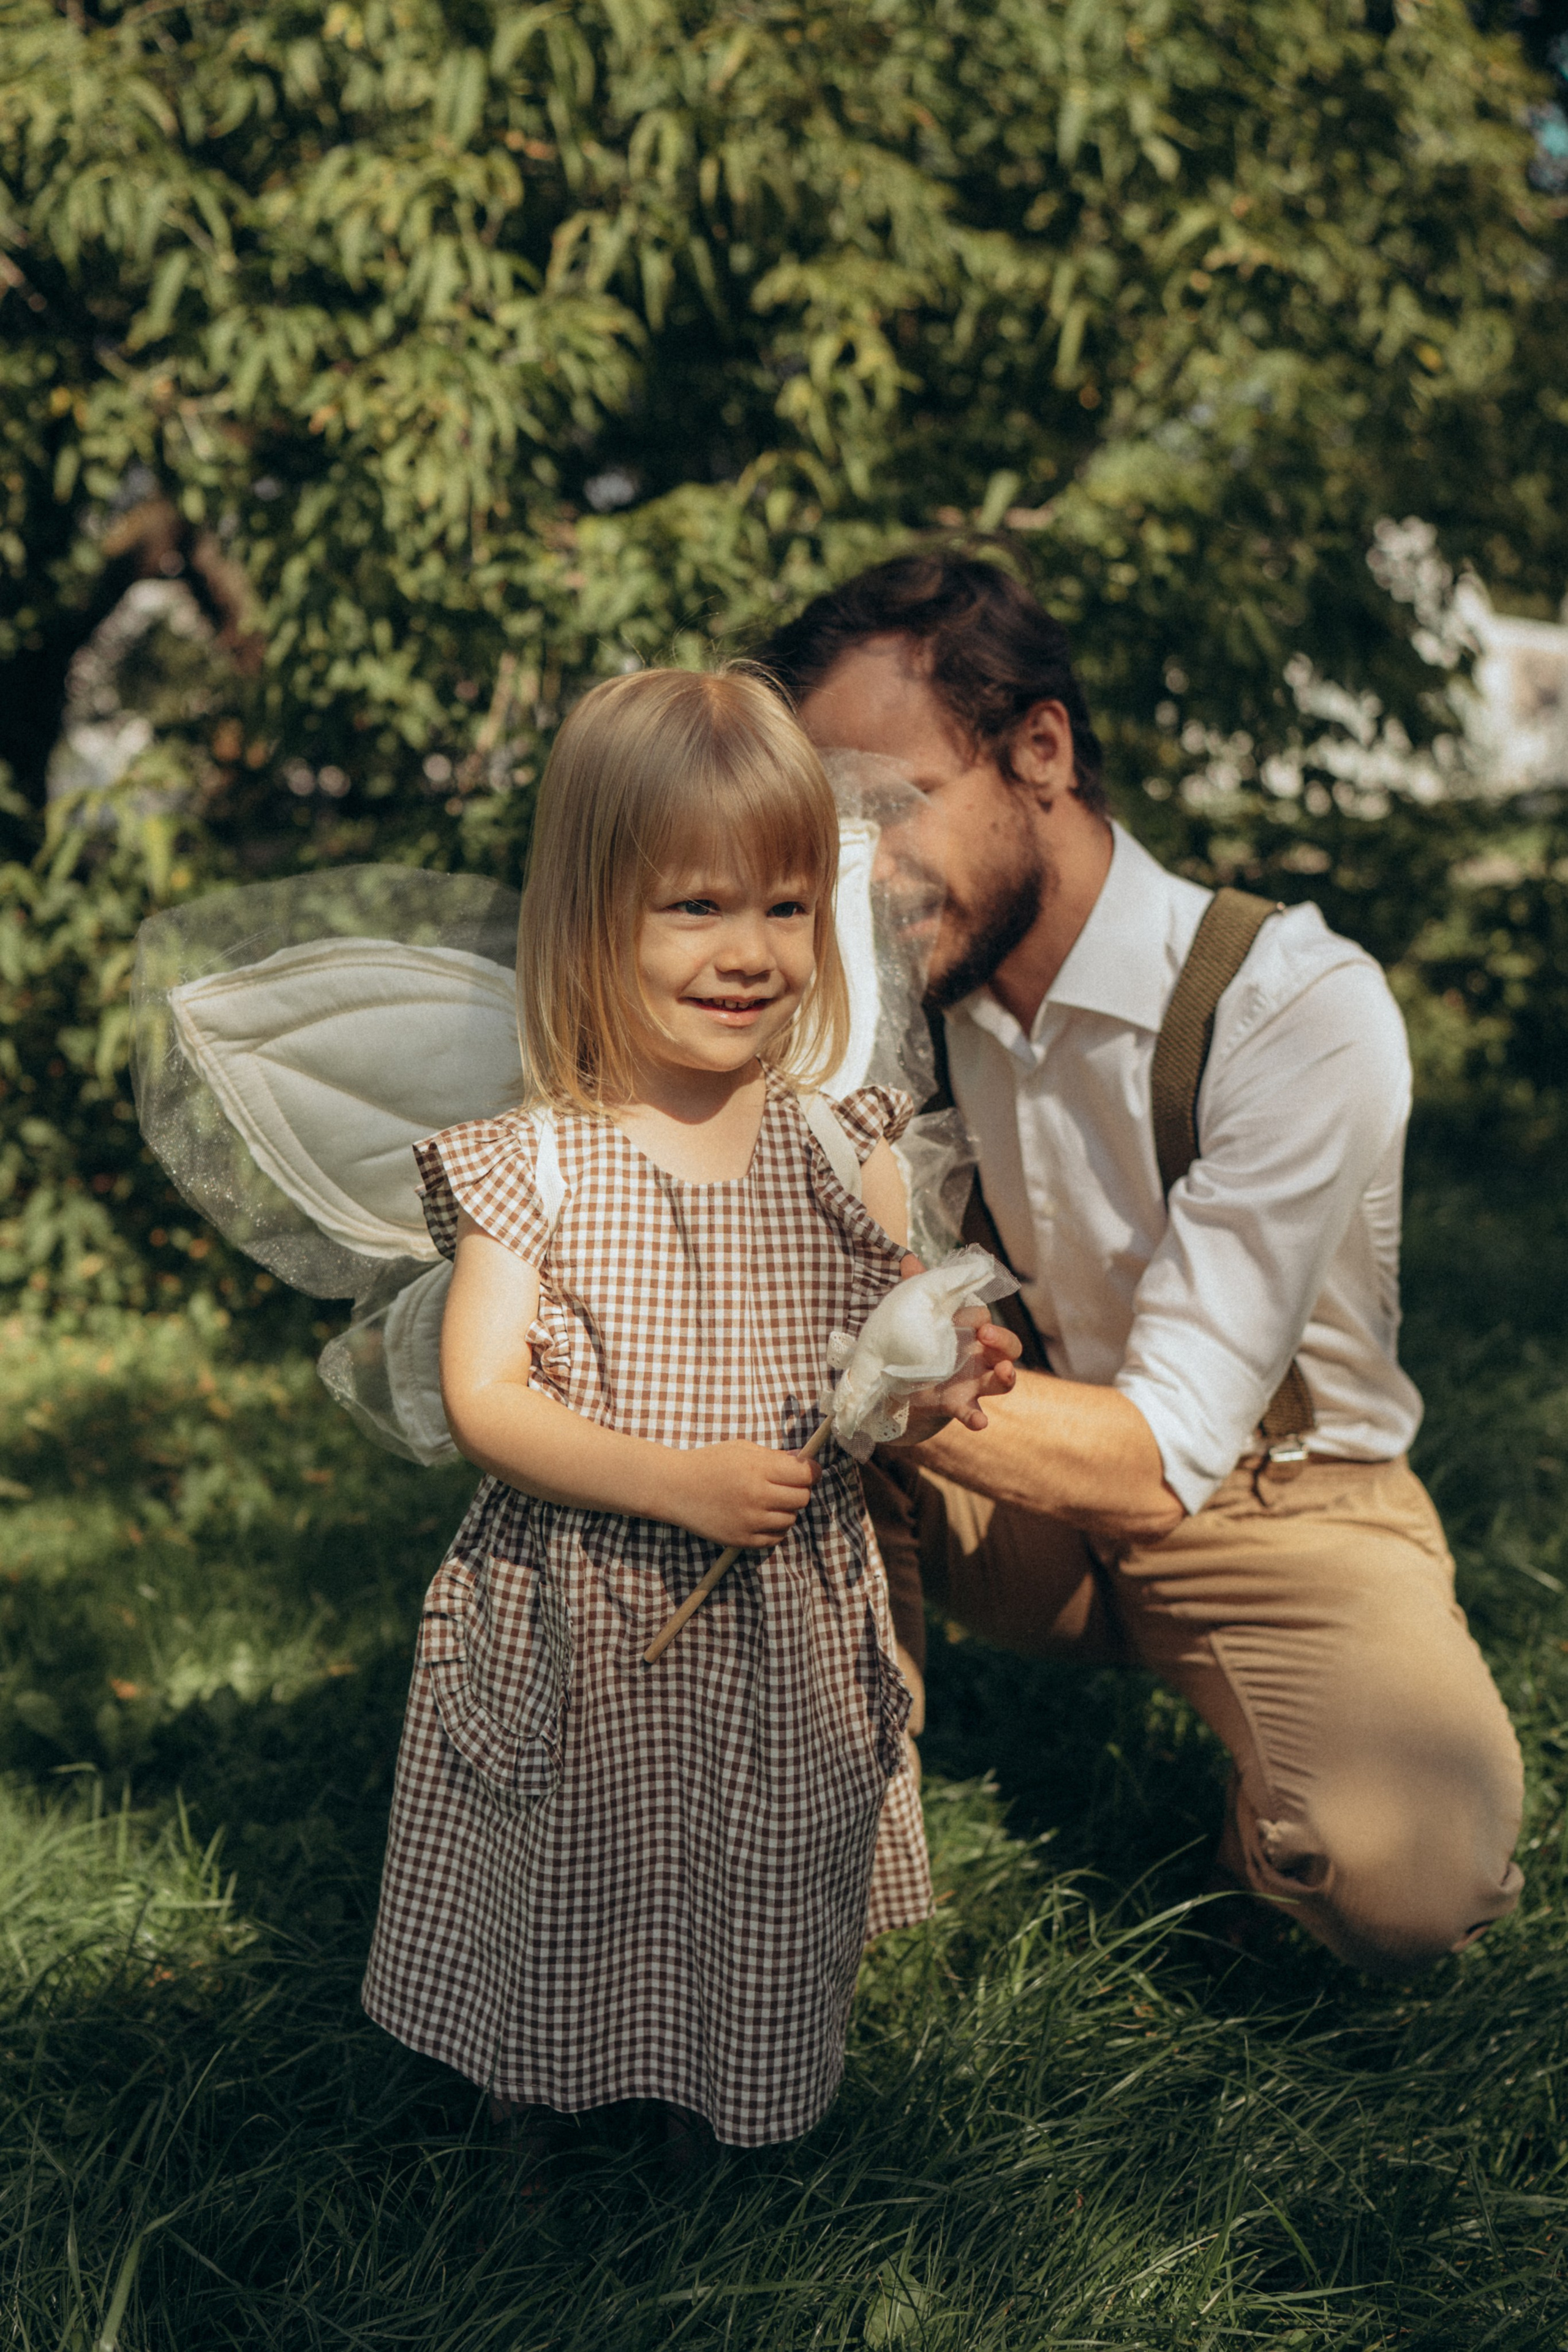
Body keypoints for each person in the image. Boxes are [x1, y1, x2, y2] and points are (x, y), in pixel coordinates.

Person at [758, 549, 1525, 1976]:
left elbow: (1159, 1458)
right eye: (831, 825)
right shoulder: (891, 997)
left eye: (893, 804)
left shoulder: (1293, 1008)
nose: (860, 870)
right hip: (1020, 1490)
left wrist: (853, 1356)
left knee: (1410, 1887)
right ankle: (823, 1857)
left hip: (1280, 1503)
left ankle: (1273, 1816)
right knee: (758, 1406)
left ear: (1038, 750)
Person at [360, 666, 1019, 2151]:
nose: (749, 952)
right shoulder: (538, 1164)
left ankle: (717, 2114)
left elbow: (868, 1395)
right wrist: (670, 1482)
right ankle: (535, 2124)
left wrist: (931, 1389)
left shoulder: (838, 1150)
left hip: (780, 1621)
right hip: (589, 1614)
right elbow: (483, 1399)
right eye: (696, 907)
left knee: (751, 1866)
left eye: (785, 907)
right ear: (593, 917)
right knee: (572, 1862)